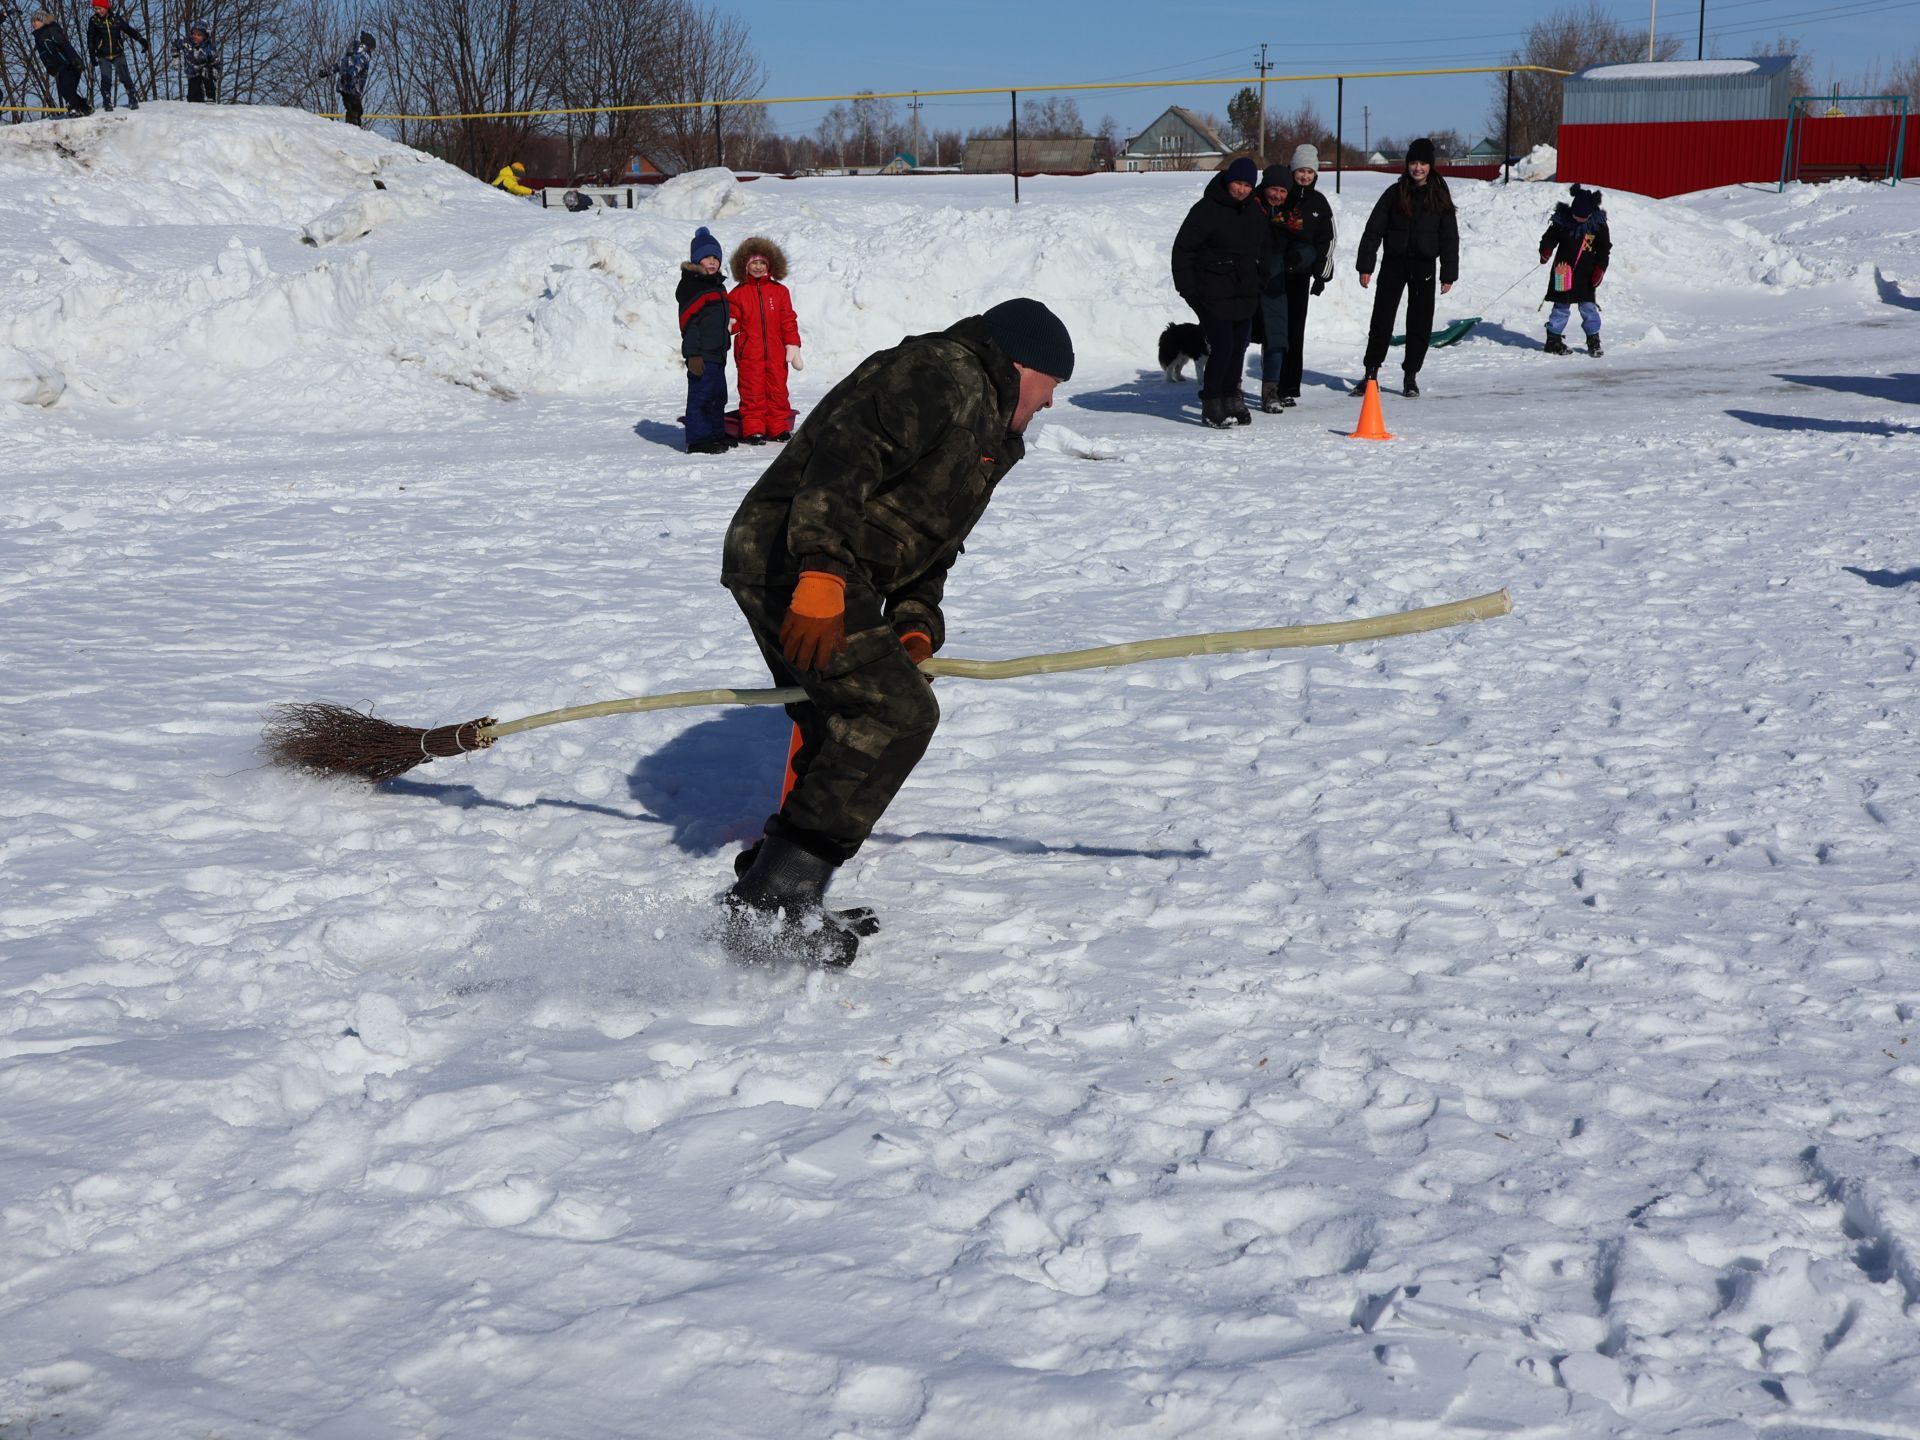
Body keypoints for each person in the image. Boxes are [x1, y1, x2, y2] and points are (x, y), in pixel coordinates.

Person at [718, 298, 1074, 967]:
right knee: (894, 714)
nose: (1051, 403)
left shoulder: (991, 437)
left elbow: (932, 548)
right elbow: (842, 459)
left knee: (840, 726)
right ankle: (773, 905)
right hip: (789, 560)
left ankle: (775, 884)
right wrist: (819, 572)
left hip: (833, 571)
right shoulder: (940, 372)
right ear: (1023, 364)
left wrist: (914, 628)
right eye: (1052, 386)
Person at [1353, 136, 1459, 399]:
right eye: (1413, 162)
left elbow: (1449, 237)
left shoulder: (1439, 197)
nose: (1418, 168)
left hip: (1424, 265)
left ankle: (1410, 376)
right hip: (1394, 264)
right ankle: (1371, 373)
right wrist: (1365, 265)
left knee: (1420, 323)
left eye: (1423, 163)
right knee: (1382, 319)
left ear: (1430, 166)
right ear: (1407, 164)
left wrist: (1448, 273)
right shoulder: (1394, 193)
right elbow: (1373, 230)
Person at [1170, 155, 1267, 428]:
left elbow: (1266, 250)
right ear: (1227, 180)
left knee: (1238, 349)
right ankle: (1211, 402)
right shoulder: (1206, 209)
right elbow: (1183, 250)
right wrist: (1188, 289)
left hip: (1245, 294)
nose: (1242, 190)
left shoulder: (1253, 213)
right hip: (1212, 293)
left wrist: (1261, 280)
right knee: (1222, 347)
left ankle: (1231, 397)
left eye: (1248, 185)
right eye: (1237, 183)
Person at [1272, 144, 1337, 408]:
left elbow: (1328, 239)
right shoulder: (1281, 195)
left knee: (1294, 333)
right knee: (1273, 331)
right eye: (1301, 170)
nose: (1305, 176)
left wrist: (1321, 274)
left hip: (1300, 277)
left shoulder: (1319, 203)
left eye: (1310, 171)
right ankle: (1271, 384)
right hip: (1275, 274)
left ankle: (1288, 387)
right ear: (1293, 169)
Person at [727, 236, 804, 445]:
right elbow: (733, 321)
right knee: (752, 392)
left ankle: (778, 428)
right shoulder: (738, 294)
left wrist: (792, 344)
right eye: (754, 263)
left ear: (770, 264)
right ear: (745, 265)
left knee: (777, 390)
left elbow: (788, 320)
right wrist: (728, 323)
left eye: (762, 263)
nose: (758, 267)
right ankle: (753, 430)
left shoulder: (779, 292)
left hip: (776, 352)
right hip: (749, 353)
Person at [678, 227, 732, 455]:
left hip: (718, 354)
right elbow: (688, 326)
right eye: (706, 257)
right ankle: (699, 439)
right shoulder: (693, 287)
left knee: (718, 397)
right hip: (702, 355)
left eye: (715, 257)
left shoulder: (717, 286)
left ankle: (716, 433)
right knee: (701, 397)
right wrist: (693, 355)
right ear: (696, 260)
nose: (711, 262)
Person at [1540, 185, 1611, 357]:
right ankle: (1553, 340)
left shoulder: (1598, 225)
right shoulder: (1562, 221)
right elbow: (1549, 238)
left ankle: (1593, 340)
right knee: (1561, 305)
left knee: (1588, 307)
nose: (1579, 220)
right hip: (1563, 270)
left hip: (1586, 274)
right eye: (1576, 216)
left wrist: (1600, 269)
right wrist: (1546, 250)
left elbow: (1604, 249)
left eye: (1583, 217)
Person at [86, 0, 148, 114]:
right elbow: (90, 38)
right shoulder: (94, 21)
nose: (98, 11)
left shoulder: (116, 19)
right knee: (106, 79)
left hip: (118, 53)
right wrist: (92, 55)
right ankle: (107, 100)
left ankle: (132, 98)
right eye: (96, 9)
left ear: (106, 7)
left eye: (100, 8)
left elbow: (129, 30)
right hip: (103, 55)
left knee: (125, 77)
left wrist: (142, 40)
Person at [30, 12, 91, 117]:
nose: (33, 23)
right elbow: (43, 54)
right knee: (63, 90)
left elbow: (64, 45)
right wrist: (49, 66)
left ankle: (75, 108)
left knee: (67, 88)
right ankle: (84, 107)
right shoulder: (38, 38)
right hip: (60, 66)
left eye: (36, 21)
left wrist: (74, 59)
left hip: (70, 63)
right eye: (32, 21)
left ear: (43, 21)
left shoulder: (51, 30)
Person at [324, 31, 374, 127]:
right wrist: (349, 75)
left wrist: (326, 72)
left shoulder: (350, 54)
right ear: (368, 46)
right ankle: (354, 131)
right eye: (372, 48)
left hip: (344, 86)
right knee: (356, 110)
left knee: (352, 109)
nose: (372, 51)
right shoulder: (364, 55)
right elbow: (357, 66)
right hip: (353, 87)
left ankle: (351, 128)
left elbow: (338, 65)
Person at [173, 23, 219, 104]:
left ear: (205, 37)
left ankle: (211, 97)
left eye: (199, 35)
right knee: (193, 92)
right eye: (194, 33)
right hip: (193, 71)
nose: (195, 36)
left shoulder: (209, 47)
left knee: (207, 73)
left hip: (206, 69)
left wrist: (215, 70)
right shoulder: (187, 43)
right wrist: (176, 58)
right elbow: (175, 44)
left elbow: (215, 60)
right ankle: (195, 101)